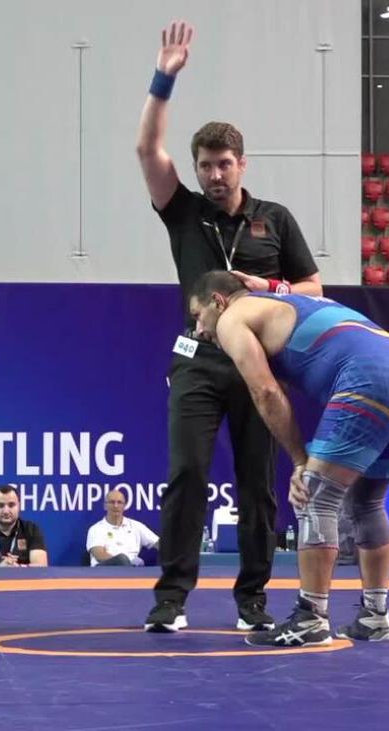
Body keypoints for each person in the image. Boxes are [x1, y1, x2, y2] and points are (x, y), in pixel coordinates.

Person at [136, 19, 322, 633]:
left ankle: (253, 602)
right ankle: (171, 600)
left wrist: (265, 288)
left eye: (223, 165)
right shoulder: (184, 213)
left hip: (258, 366)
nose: (214, 176)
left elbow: (314, 291)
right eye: (205, 166)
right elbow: (148, 151)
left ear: (242, 164)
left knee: (257, 486)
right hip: (196, 362)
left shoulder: (275, 219)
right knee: (187, 475)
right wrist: (163, 78)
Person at [187, 271, 389, 647]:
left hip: (369, 376)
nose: (200, 330)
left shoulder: (234, 318)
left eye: (198, 316)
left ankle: (311, 618)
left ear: (218, 301)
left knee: (315, 496)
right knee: (367, 502)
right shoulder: (284, 301)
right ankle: (375, 617)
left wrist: (301, 461)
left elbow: (266, 392)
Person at [87, 488, 160, 566]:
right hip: (105, 570)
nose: (116, 506)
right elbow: (99, 555)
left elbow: (158, 543)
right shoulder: (96, 529)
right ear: (105, 506)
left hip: (133, 569)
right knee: (122, 559)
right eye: (112, 502)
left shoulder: (135, 526)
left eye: (119, 502)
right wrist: (125, 565)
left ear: (124, 506)